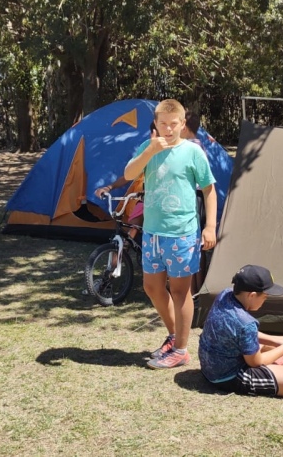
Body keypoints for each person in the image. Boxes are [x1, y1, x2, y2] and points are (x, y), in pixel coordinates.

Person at [124, 99, 217, 369]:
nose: (167, 129)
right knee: (152, 287)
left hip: (181, 234)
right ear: (155, 124)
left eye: (173, 124)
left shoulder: (192, 152)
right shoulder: (149, 148)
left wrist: (210, 226)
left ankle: (181, 349)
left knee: (179, 292)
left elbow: (209, 190)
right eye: (162, 124)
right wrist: (150, 151)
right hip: (152, 233)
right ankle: (174, 335)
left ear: (182, 124)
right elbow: (129, 172)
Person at [198, 264, 283, 397]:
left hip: (209, 366)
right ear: (252, 295)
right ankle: (282, 352)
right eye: (265, 297)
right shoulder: (246, 322)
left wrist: (279, 341)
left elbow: (240, 332)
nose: (265, 301)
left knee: (268, 348)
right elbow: (255, 362)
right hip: (227, 377)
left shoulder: (225, 295)